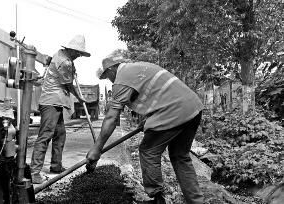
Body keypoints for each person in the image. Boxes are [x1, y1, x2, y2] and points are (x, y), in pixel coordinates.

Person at [86, 56, 204, 204]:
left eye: (106, 76)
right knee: (180, 157)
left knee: (148, 151)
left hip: (173, 111)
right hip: (193, 107)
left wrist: (97, 148)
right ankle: (197, 201)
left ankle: (157, 198)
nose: (109, 80)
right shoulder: (139, 67)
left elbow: (111, 117)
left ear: (111, 69)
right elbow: (158, 95)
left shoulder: (121, 79)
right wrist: (148, 120)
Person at [31, 35, 91, 184]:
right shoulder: (65, 62)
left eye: (80, 54)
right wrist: (79, 97)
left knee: (60, 134)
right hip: (51, 101)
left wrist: (72, 68)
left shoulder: (61, 54)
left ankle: (56, 166)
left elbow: (67, 74)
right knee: (46, 135)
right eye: (77, 53)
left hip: (56, 102)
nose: (78, 56)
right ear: (70, 49)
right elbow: (68, 85)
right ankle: (34, 171)